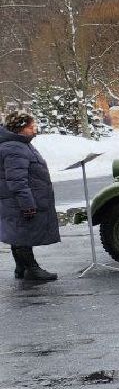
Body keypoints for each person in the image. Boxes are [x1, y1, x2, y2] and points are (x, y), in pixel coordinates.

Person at [0, 111, 60, 283]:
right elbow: (17, 181)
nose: (35, 130)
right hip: (18, 201)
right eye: (31, 127)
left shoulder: (20, 144)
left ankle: (21, 267)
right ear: (20, 129)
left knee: (18, 233)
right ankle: (31, 268)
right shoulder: (14, 148)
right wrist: (27, 204)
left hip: (16, 201)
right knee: (22, 233)